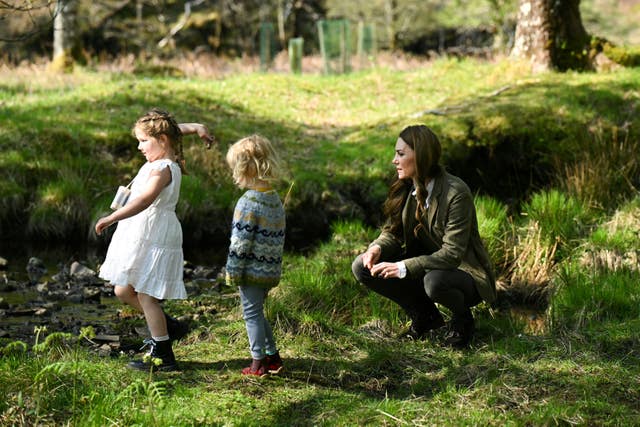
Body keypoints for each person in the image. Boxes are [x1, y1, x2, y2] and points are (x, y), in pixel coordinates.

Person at [351, 124, 496, 348]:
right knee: (361, 266)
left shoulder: (456, 193)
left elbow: (452, 254)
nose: (394, 160)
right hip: (424, 266)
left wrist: (403, 267)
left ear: (421, 156)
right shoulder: (406, 187)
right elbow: (392, 231)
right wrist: (376, 248)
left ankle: (462, 320)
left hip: (462, 273)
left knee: (434, 282)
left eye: (400, 154)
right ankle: (426, 316)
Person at [95, 108, 213, 371]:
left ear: (162, 141)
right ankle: (168, 325)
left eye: (143, 141)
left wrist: (112, 218)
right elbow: (170, 131)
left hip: (155, 231)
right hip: (140, 231)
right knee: (123, 290)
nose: (139, 147)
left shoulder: (163, 169)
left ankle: (163, 354)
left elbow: (144, 200)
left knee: (147, 296)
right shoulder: (160, 153)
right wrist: (195, 126)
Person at [225, 134, 286, 377]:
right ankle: (272, 357)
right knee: (258, 312)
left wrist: (232, 272)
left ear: (243, 169)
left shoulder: (248, 202)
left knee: (251, 314)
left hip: (250, 271)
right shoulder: (273, 199)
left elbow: (240, 244)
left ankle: (257, 363)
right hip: (270, 270)